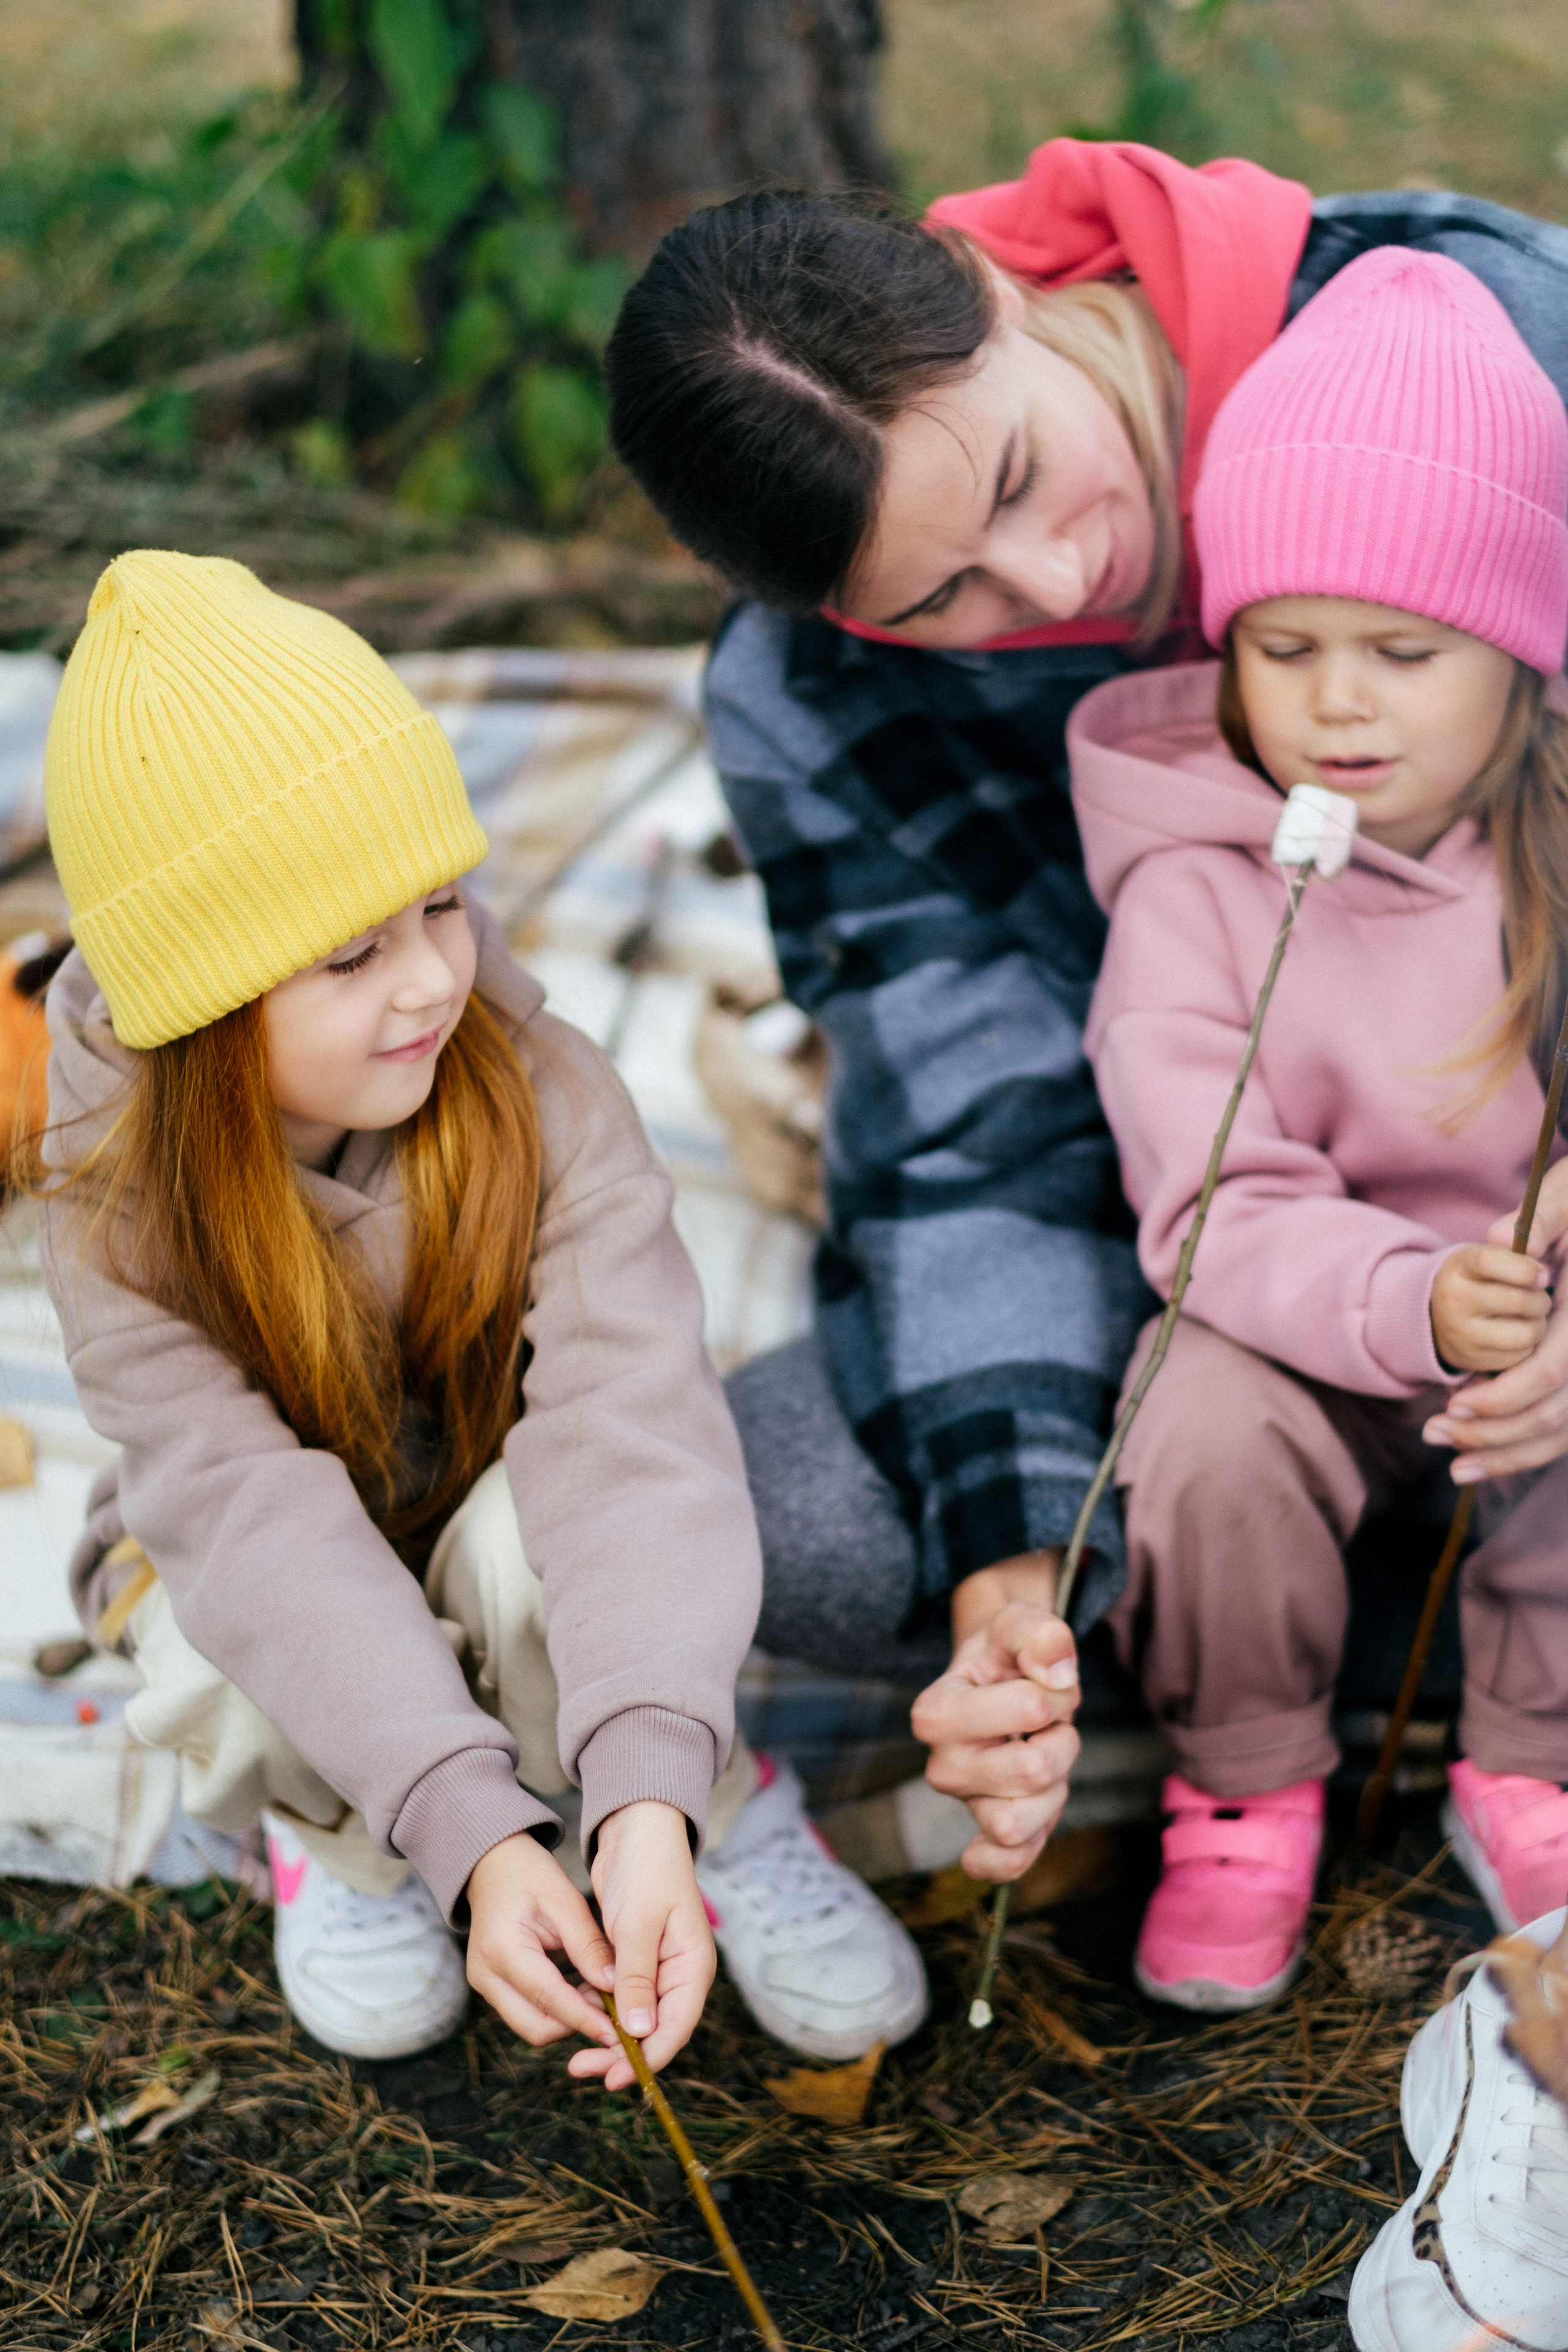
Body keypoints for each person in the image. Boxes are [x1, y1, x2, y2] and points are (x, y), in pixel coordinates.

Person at [605, 144, 1568, 2003]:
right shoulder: (812, 698)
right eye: (942, 595)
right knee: (781, 1534)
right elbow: (982, 1121)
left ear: (1008, 294)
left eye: (1025, 474)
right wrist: (1016, 1581)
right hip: (1228, 1277)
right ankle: (1284, 1641)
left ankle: (1374, 1637)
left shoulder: (1494, 357)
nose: (1055, 577)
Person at [31, 549, 925, 2071]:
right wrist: (464, 1829)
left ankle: (706, 1809)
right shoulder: (122, 1210)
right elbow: (251, 1516)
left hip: (483, 1494)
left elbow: (624, 1417)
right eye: (349, 954)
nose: (431, 979)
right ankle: (355, 1843)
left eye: (440, 905)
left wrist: (645, 1789)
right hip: (258, 1563)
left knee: (550, 1544)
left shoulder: (537, 1087)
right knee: (208, 1629)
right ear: (198, 1010)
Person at [1065, 245, 1568, 2025]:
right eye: (1285, 648)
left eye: (1404, 652)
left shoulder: (1552, 859)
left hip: (1543, 1334)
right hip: (1314, 1324)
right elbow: (1207, 1205)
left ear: (1522, 656)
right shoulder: (1201, 892)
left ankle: (1536, 1759)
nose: (1338, 702)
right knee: (1194, 1422)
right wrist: (1415, 1300)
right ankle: (1243, 1775)